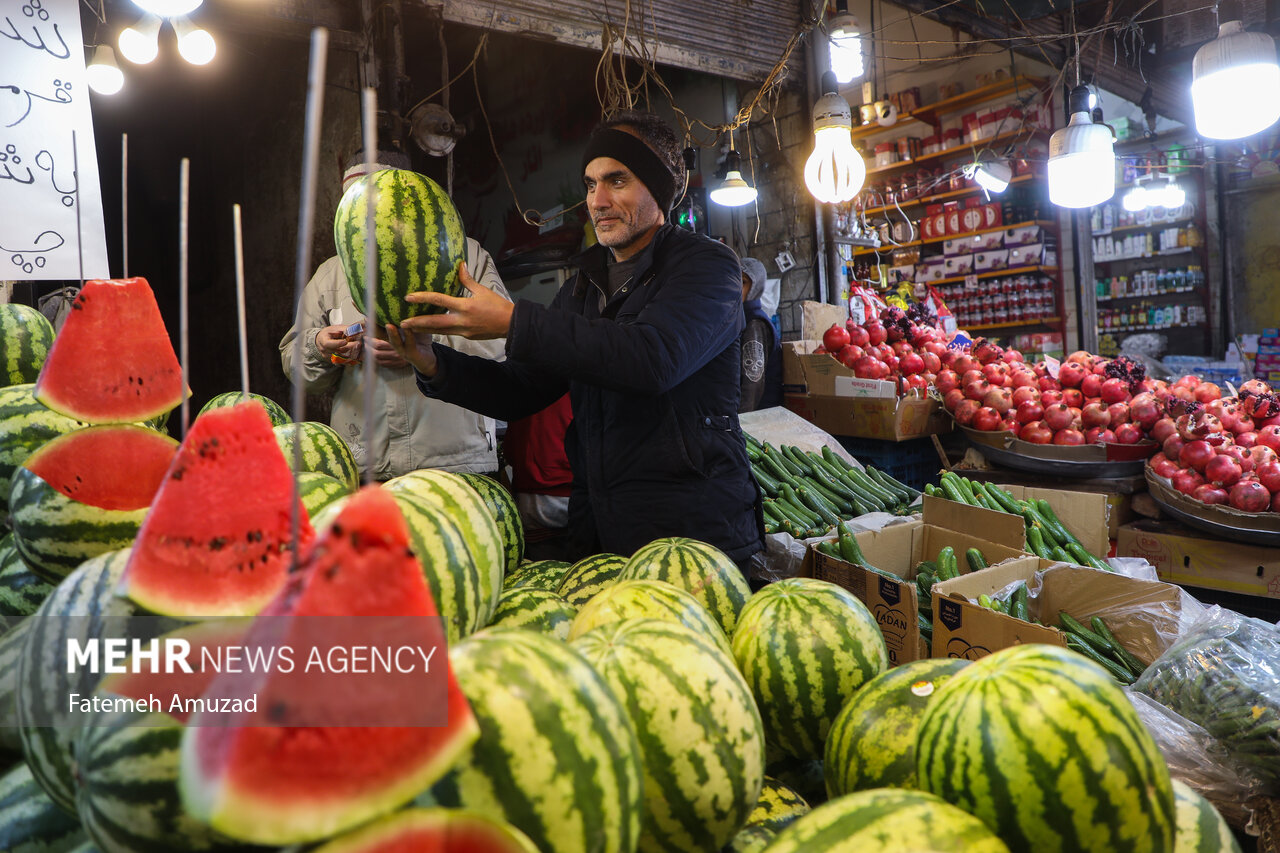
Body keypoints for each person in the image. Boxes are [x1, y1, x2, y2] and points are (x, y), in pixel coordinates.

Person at [385, 111, 763, 568]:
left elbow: (652, 359)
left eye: (616, 181)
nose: (597, 200)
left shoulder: (708, 267)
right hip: (599, 534)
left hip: (695, 536)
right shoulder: (583, 285)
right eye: (589, 184)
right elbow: (520, 390)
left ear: (658, 188)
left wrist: (515, 321)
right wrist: (433, 364)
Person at [279, 151, 513, 480]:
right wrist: (319, 345)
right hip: (368, 465)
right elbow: (298, 370)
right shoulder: (331, 275)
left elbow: (503, 343)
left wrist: (428, 349)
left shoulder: (464, 256)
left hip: (455, 459)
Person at [739, 256, 782, 412]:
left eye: (743, 282)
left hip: (759, 417)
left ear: (755, 287)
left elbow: (753, 385)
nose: (736, 287)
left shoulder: (754, 323)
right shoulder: (740, 319)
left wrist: (742, 425)